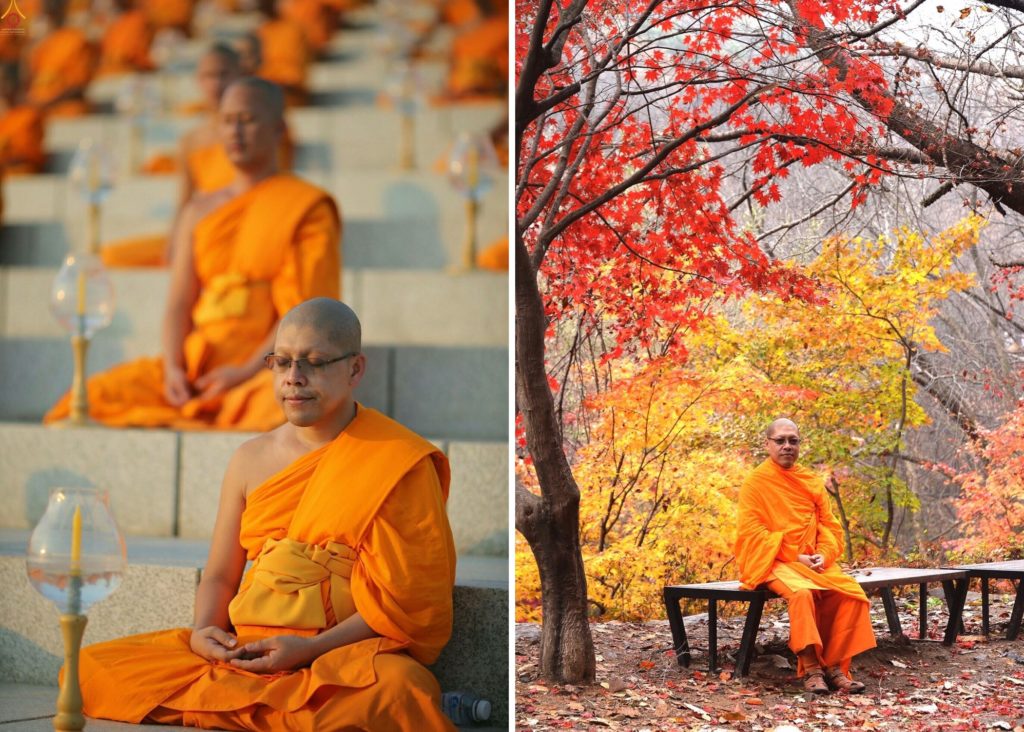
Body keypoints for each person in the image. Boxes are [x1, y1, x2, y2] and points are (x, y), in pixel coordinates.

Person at [74, 298, 457, 730]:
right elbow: (221, 574)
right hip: (246, 652)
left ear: (355, 370)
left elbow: (406, 603)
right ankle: (272, 709)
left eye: (314, 362)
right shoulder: (249, 459)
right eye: (282, 362)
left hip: (336, 655)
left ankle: (249, 708)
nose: (294, 379)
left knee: (402, 689)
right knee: (94, 667)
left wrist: (308, 650)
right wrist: (204, 634)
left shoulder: (398, 461)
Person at [45, 77, 341, 430]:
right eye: (227, 120)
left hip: (268, 367)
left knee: (288, 405)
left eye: (247, 120)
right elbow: (178, 302)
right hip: (196, 366)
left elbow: (304, 317)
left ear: (278, 130)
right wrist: (173, 368)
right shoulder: (199, 210)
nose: (235, 131)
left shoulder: (305, 206)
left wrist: (244, 371)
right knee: (91, 399)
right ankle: (190, 402)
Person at [734, 418, 875, 694]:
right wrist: (794, 556)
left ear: (799, 444)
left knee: (850, 594)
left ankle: (834, 667)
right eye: (780, 441)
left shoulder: (810, 481)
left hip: (812, 562)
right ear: (767, 445)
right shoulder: (756, 483)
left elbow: (830, 526)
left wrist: (823, 554)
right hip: (773, 561)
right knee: (802, 594)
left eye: (793, 441)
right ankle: (812, 670)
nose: (787, 446)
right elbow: (752, 532)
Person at [26, 0, 96, 118]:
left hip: (68, 113)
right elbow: (31, 83)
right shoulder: (41, 47)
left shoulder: (77, 40)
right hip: (39, 115)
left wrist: (47, 103)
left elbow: (78, 88)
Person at [96, 0, 155, 77]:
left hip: (129, 74)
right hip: (108, 75)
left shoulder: (136, 20)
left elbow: (122, 55)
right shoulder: (105, 22)